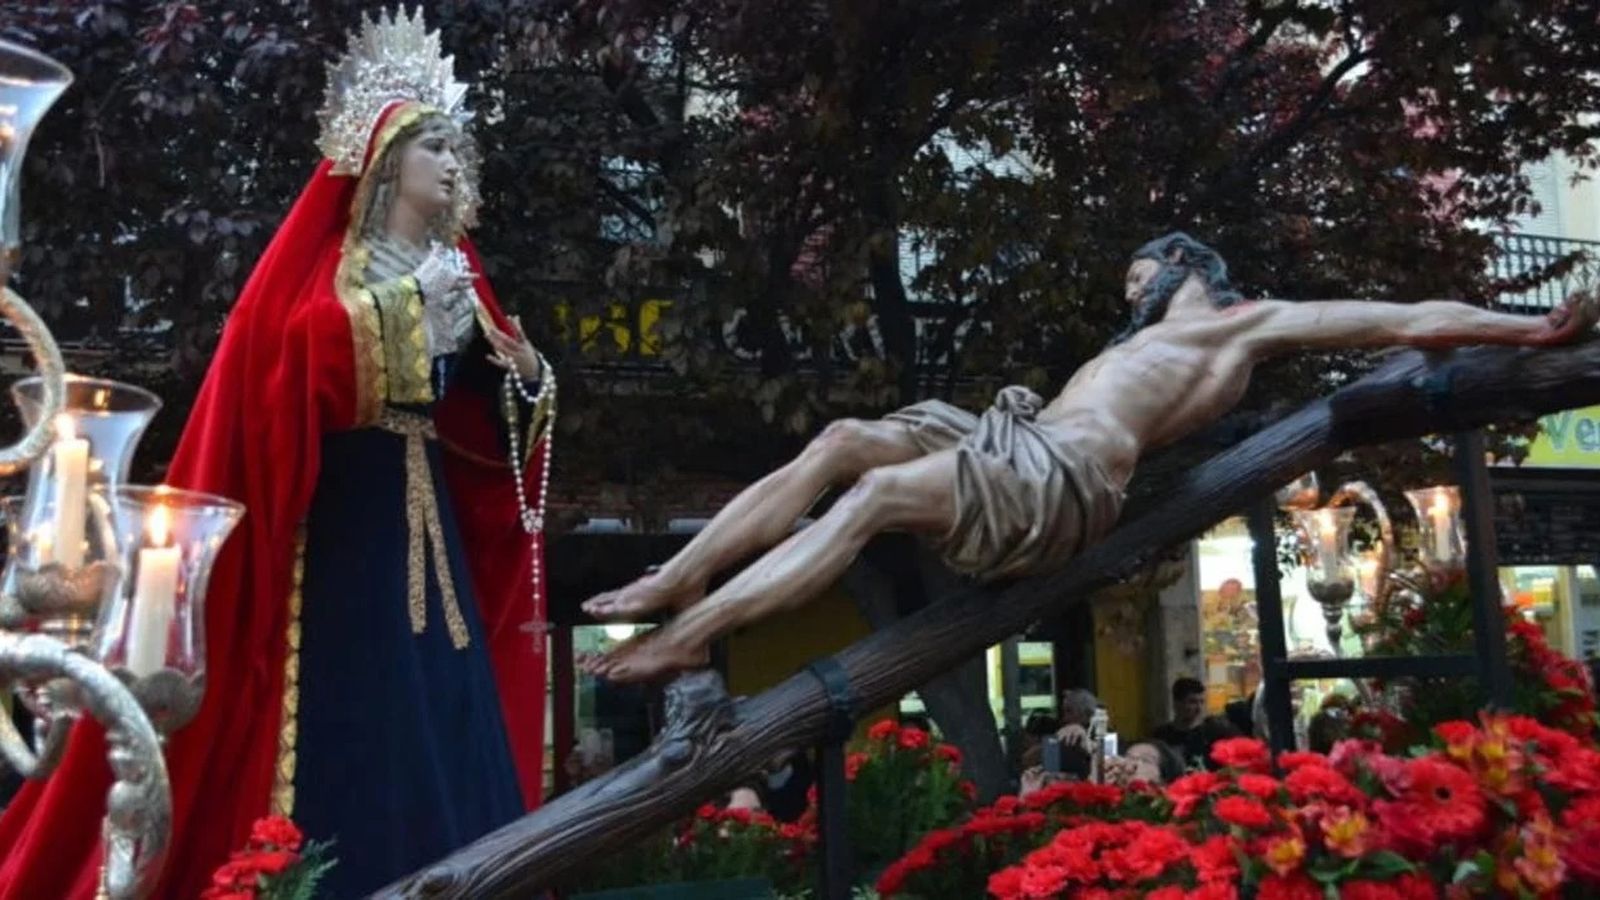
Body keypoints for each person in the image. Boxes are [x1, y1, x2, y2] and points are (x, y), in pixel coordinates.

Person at [0, 11, 556, 898]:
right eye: (434, 148)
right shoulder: (336, 268)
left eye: (459, 150)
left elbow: (489, 407)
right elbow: (288, 366)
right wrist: (404, 314)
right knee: (366, 716)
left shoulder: (459, 266)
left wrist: (524, 376)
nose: (452, 166)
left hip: (433, 538)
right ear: (384, 160)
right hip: (347, 540)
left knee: (448, 716)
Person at [580, 231, 1598, 683]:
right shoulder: (1138, 341)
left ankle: (694, 633)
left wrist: (1529, 328)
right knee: (844, 440)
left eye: (1138, 272)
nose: (1128, 290)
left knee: (875, 495)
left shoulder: (1241, 327)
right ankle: (677, 575)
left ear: (1186, 266)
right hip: (1014, 440)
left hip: (1061, 485)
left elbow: (1406, 316)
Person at [1153, 677, 1240, 770]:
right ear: (1177, 703)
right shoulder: (1161, 737)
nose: (1199, 708)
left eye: (1202, 702)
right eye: (1192, 702)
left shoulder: (1215, 732)